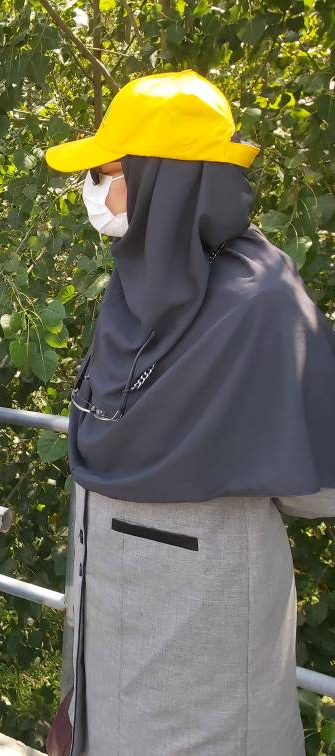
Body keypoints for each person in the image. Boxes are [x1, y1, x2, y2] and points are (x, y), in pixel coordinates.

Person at [44, 70, 335, 755]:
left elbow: (318, 488)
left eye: (104, 172)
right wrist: (79, 689)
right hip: (109, 661)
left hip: (208, 673)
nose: (92, 191)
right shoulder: (134, 288)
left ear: (161, 179)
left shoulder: (263, 303)